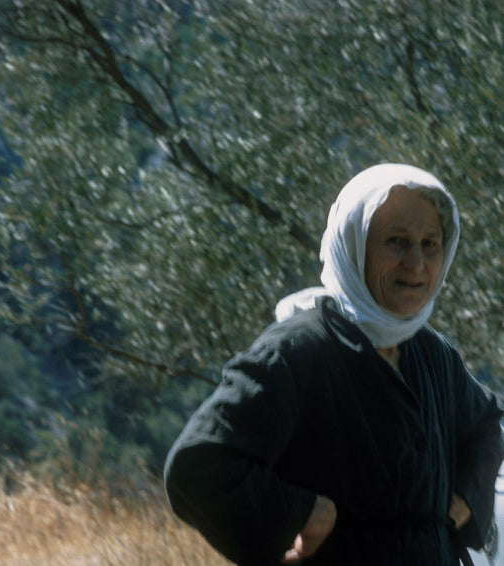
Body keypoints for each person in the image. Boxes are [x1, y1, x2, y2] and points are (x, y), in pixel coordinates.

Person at [164, 163, 503, 565]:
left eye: (430, 244)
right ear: (354, 246)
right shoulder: (301, 349)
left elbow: (486, 424)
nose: (417, 262)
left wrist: (465, 498)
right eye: (396, 241)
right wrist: (299, 512)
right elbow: (198, 467)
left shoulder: (433, 354)